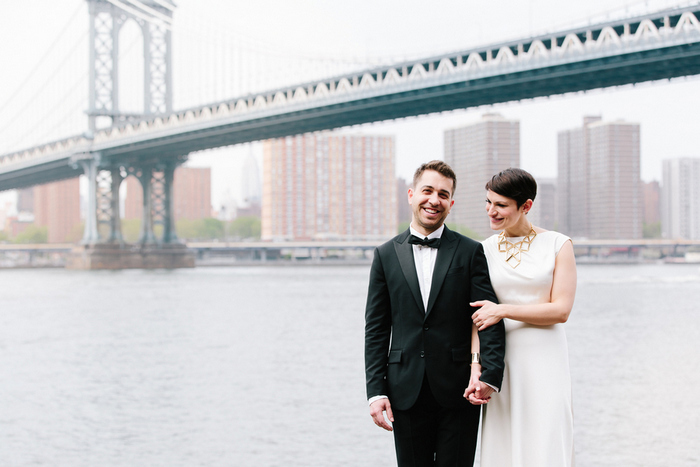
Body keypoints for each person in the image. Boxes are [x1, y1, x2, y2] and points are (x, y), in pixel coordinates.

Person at [365, 160, 506, 467]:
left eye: (443, 194)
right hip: (404, 390)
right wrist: (376, 392)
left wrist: (489, 376)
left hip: (461, 390)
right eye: (427, 191)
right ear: (411, 194)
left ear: (451, 203)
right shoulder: (385, 255)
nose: (434, 200)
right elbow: (376, 329)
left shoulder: (470, 252)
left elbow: (489, 317)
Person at [465, 167, 577, 466]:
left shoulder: (558, 244)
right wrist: (477, 369)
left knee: (546, 437)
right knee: (504, 442)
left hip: (546, 357)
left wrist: (503, 309)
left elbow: (561, 310)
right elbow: (479, 317)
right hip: (501, 360)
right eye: (488, 202)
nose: (491, 211)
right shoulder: (484, 250)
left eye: (501, 205)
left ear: (526, 206)